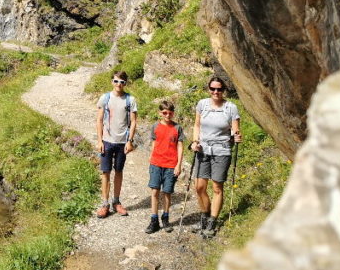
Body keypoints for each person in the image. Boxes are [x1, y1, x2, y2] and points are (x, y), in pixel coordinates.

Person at [190, 76, 241, 238]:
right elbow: (197, 125)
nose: (216, 92)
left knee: (217, 188)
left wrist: (237, 136)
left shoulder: (231, 108)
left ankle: (212, 221)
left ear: (223, 90)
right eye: (213, 88)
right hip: (203, 149)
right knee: (199, 187)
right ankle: (204, 216)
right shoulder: (202, 104)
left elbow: (235, 130)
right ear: (209, 89)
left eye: (219, 89)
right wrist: (194, 141)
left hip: (222, 150)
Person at [95, 70, 137, 218]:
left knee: (118, 171)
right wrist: (99, 141)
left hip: (121, 143)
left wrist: (130, 141)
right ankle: (105, 204)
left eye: (122, 82)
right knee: (105, 172)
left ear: (126, 83)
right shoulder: (105, 98)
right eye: (116, 81)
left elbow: (133, 122)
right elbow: (99, 120)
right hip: (107, 141)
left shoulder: (130, 100)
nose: (119, 84)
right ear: (112, 81)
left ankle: (116, 202)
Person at [145, 99, 184, 234]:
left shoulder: (177, 128)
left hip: (171, 165)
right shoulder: (155, 126)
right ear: (160, 113)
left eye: (170, 113)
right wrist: (151, 158)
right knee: (155, 191)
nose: (167, 115)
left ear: (173, 113)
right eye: (165, 112)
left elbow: (180, 146)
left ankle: (165, 218)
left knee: (167, 192)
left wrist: (178, 164)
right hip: (156, 163)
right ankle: (154, 220)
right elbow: (154, 143)